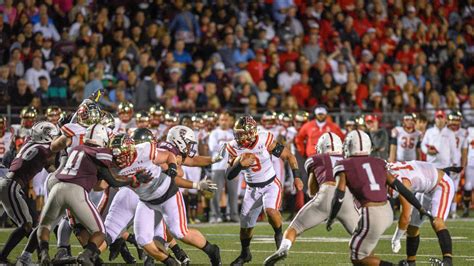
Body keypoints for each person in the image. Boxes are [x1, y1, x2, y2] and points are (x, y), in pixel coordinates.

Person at [110, 127, 222, 265]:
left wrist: (212, 160)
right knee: (143, 239)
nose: (120, 158)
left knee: (179, 232)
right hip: (146, 200)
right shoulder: (119, 163)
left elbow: (185, 164)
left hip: (167, 195)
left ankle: (211, 250)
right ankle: (170, 261)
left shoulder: (154, 152)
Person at [326, 130, 430, 266]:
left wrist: (332, 217)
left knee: (357, 257)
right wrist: (419, 207)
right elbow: (401, 188)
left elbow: (339, 196)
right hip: (387, 211)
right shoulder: (379, 162)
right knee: (360, 246)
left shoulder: (343, 164)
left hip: (372, 212)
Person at [264, 132, 359, 265]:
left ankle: (283, 248)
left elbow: (312, 190)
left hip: (326, 193)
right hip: (346, 197)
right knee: (361, 236)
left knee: (294, 228)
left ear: (321, 147)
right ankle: (369, 258)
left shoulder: (315, 159)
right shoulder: (349, 160)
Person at [225, 115, 303, 265]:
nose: (238, 136)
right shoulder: (233, 147)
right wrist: (240, 165)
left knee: (271, 211)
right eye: (237, 133)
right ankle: (245, 254)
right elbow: (229, 175)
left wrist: (297, 177)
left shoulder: (264, 140)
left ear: (251, 132)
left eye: (241, 133)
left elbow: (289, 156)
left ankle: (280, 241)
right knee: (245, 227)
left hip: (270, 184)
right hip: (252, 188)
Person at [0, 122, 66, 263]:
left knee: (30, 225)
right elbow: (53, 150)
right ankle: (18, 256)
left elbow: (51, 168)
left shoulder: (34, 145)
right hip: (10, 186)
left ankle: (32, 256)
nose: (54, 139)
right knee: (27, 225)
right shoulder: (41, 150)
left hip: (11, 186)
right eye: (52, 136)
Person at [388, 161, 455, 266]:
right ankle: (411, 262)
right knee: (412, 227)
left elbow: (405, 216)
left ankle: (447, 261)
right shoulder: (385, 170)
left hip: (441, 184)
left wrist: (396, 239)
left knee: (437, 221)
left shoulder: (402, 182)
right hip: (425, 189)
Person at [207, 111, 236, 223]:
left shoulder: (233, 133)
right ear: (219, 121)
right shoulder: (214, 133)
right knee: (215, 192)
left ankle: (233, 215)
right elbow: (213, 147)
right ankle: (215, 215)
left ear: (230, 121)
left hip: (232, 165)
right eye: (222, 119)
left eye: (226, 120)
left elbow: (238, 147)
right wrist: (229, 146)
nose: (224, 122)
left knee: (233, 192)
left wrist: (224, 146)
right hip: (217, 166)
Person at [446, 111, 468, 218]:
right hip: (444, 163)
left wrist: (463, 165)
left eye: (456, 120)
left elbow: (464, 151)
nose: (454, 122)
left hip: (456, 163)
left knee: (454, 188)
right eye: (452, 120)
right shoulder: (443, 131)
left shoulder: (463, 133)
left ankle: (453, 211)